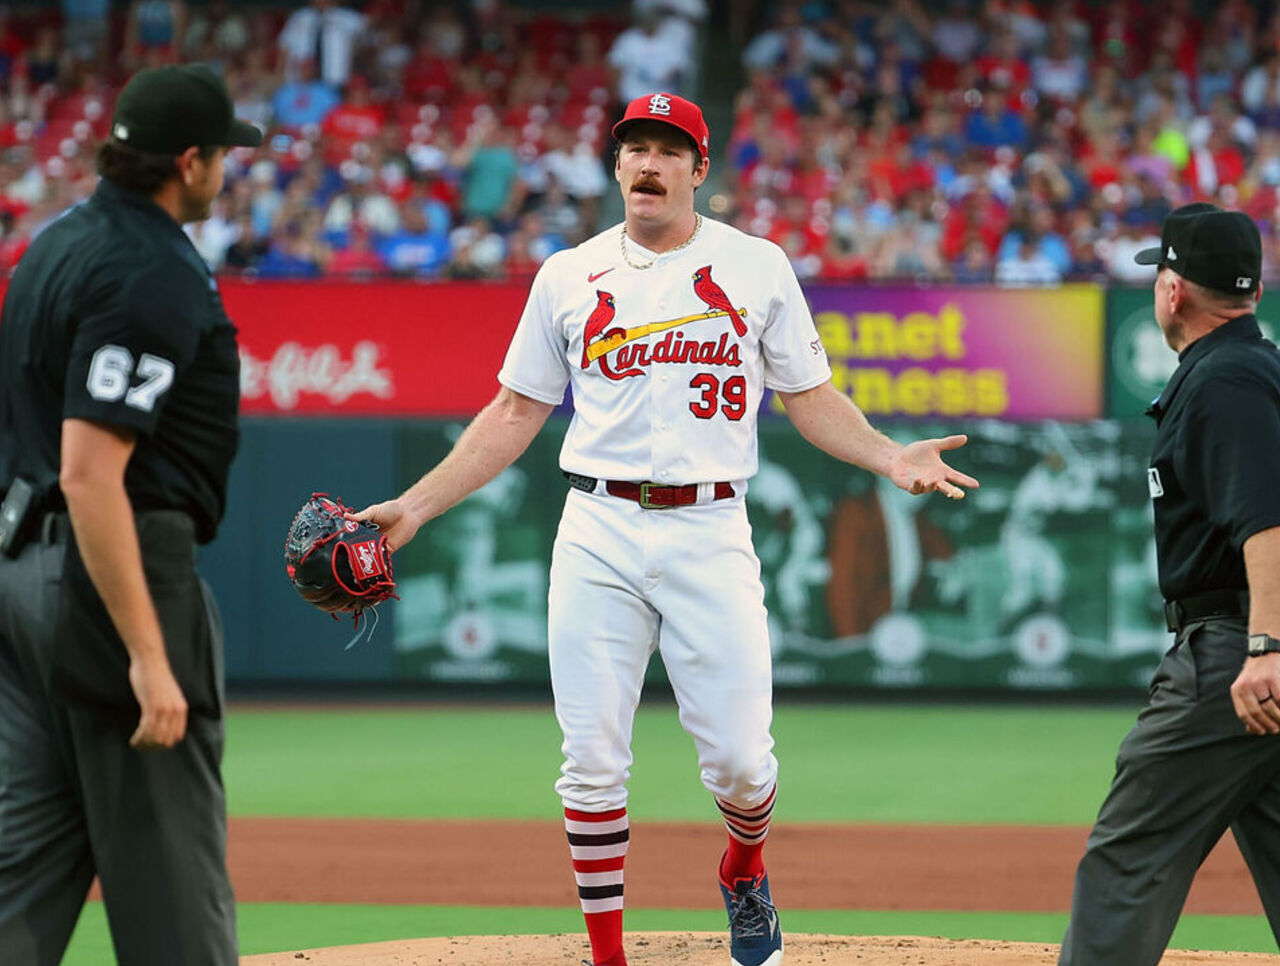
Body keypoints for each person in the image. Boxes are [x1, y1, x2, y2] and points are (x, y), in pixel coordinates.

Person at [353, 91, 978, 966]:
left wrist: (886, 457)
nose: (648, 163)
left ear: (698, 169)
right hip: (597, 526)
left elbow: (808, 396)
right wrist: (415, 505)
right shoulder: (567, 275)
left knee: (742, 770)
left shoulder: (756, 266)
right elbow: (512, 409)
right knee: (591, 763)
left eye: (667, 149)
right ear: (616, 166)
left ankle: (744, 868)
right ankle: (606, 955)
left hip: (711, 526)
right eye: (634, 147)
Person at [0, 64, 260, 965]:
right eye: (224, 151)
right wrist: (149, 656)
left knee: (22, 873)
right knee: (172, 890)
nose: (229, 167)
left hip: (21, 568)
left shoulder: (55, 241)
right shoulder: (150, 270)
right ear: (189, 161)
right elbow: (91, 471)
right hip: (113, 577)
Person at [1059, 202, 1280, 966]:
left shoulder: (1225, 380)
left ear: (1174, 290)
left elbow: (1266, 519)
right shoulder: (1257, 368)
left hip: (1234, 659)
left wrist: (1265, 646)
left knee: (1129, 860)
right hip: (1255, 654)